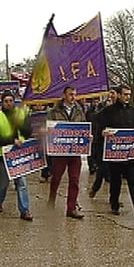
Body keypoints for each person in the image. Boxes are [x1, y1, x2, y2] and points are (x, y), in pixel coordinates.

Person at [96, 85, 134, 221]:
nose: (127, 97)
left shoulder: (132, 111)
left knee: (133, 182)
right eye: (125, 94)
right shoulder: (108, 111)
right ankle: (114, 204)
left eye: (129, 94)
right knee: (115, 181)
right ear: (118, 95)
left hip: (130, 154)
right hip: (114, 153)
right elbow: (98, 125)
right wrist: (102, 132)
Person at [0, 90, 34, 220]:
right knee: (3, 182)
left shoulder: (21, 114)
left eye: (11, 101)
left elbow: (28, 132)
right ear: (2, 103)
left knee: (22, 182)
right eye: (6, 101)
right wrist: (11, 141)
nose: (8, 103)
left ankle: (25, 210)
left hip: (18, 155)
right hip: (3, 155)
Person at [46, 86, 86, 219]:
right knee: (56, 177)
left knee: (74, 180)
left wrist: (87, 137)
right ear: (64, 95)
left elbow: (84, 127)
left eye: (75, 94)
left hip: (75, 152)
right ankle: (51, 200)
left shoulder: (80, 110)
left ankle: (71, 208)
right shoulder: (54, 111)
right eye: (70, 95)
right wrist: (48, 132)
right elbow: (48, 127)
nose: (73, 97)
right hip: (60, 152)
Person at [88, 88, 117, 199]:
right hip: (103, 144)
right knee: (102, 169)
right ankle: (95, 188)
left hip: (116, 146)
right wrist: (100, 133)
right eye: (110, 93)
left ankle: (113, 198)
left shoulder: (123, 110)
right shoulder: (101, 110)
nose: (111, 96)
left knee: (114, 174)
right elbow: (95, 121)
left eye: (113, 93)